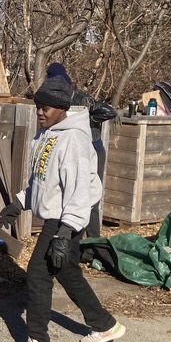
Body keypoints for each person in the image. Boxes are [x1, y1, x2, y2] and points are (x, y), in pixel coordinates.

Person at [0, 74, 125, 342]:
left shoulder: (74, 142)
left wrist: (65, 234)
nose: (40, 112)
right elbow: (43, 182)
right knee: (67, 272)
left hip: (66, 219)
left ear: (62, 109)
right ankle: (105, 325)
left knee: (38, 275)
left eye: (46, 108)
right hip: (61, 216)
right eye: (38, 107)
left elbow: (80, 193)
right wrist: (19, 203)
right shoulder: (46, 135)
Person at [45, 63, 117, 237]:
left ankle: (93, 241)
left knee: (90, 196)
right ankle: (71, 236)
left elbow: (110, 111)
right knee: (72, 195)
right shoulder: (59, 97)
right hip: (74, 149)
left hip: (93, 147)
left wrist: (86, 120)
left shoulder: (81, 98)